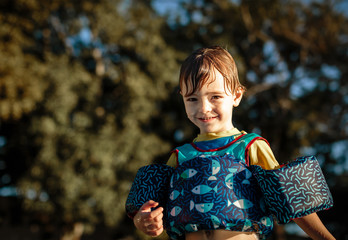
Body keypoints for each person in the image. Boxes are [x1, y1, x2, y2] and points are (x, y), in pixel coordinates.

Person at [130, 46, 335, 240]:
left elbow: (292, 203)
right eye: (192, 99)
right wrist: (143, 221)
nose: (203, 108)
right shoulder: (180, 156)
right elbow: (150, 212)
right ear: (182, 97)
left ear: (236, 95)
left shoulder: (250, 146)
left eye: (215, 97)